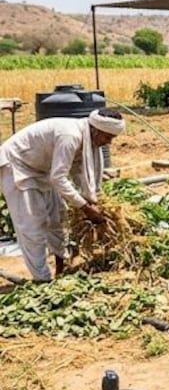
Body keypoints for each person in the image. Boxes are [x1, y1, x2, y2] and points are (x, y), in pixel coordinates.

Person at [0, 108, 124, 282]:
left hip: (43, 170)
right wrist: (85, 207)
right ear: (96, 130)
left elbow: (78, 171)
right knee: (32, 226)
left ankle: (61, 269)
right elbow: (58, 177)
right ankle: (42, 280)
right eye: (107, 137)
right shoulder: (70, 136)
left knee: (57, 218)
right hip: (18, 166)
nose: (108, 142)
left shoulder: (87, 140)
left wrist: (92, 199)